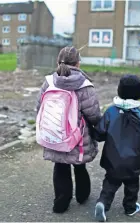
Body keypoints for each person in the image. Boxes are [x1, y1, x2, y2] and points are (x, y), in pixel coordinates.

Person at [35, 46, 102, 214]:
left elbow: (39, 108)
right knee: (80, 167)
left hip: (55, 134)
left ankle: (61, 203)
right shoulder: (84, 85)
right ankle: (82, 196)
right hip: (77, 137)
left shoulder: (49, 82)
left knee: (60, 167)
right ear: (78, 63)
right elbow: (93, 114)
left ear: (58, 61)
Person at [93, 74, 140, 222]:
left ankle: (102, 203)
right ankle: (130, 208)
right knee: (132, 186)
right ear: (139, 93)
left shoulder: (111, 112)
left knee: (110, 183)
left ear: (119, 90)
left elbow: (100, 133)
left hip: (112, 159)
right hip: (132, 162)